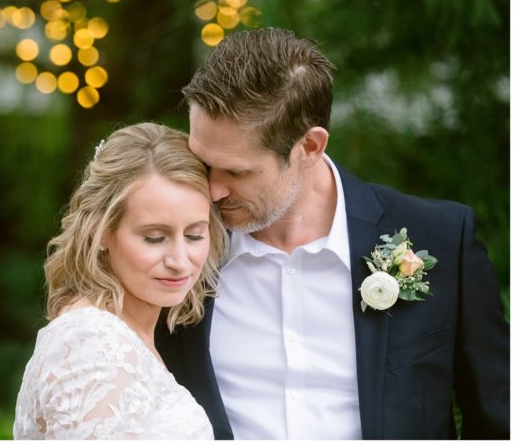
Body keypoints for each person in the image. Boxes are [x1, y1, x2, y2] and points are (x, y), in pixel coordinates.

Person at [156, 28, 510, 440]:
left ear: (309, 147)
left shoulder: (443, 240)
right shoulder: (171, 251)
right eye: (204, 163)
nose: (213, 190)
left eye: (237, 171)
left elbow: (497, 419)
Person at [13, 122, 228, 439]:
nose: (180, 261)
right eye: (155, 238)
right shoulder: (91, 343)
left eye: (195, 235)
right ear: (102, 232)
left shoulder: (130, 337)